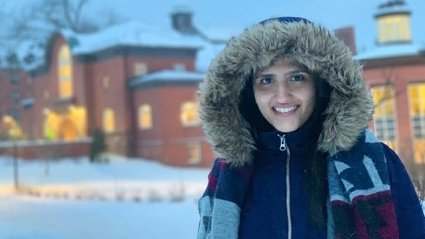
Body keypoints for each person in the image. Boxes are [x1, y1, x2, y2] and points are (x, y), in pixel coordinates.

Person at [196, 17, 425, 239]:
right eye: (266, 80)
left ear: (320, 84)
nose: (282, 95)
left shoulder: (376, 163)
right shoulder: (228, 173)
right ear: (248, 91)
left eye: (297, 77)